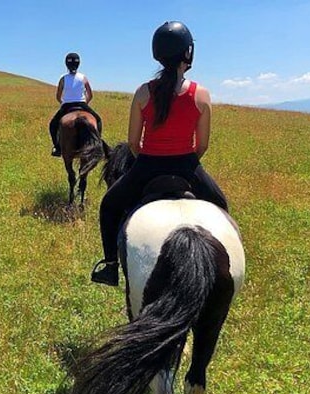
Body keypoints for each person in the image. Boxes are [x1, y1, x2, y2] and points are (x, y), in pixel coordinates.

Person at [90, 21, 229, 287]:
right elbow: (203, 145)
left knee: (109, 206)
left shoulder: (143, 92)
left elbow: (133, 142)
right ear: (188, 54)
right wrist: (185, 161)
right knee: (221, 204)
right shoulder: (201, 94)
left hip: (147, 166)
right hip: (188, 166)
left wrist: (148, 159)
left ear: (158, 54)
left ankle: (110, 266)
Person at [49, 52, 103, 157]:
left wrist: (63, 103)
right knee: (98, 120)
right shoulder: (83, 78)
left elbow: (58, 95)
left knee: (53, 124)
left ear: (66, 65)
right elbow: (90, 94)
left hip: (66, 106)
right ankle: (98, 144)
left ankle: (57, 147)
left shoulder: (63, 79)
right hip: (82, 104)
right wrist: (84, 103)